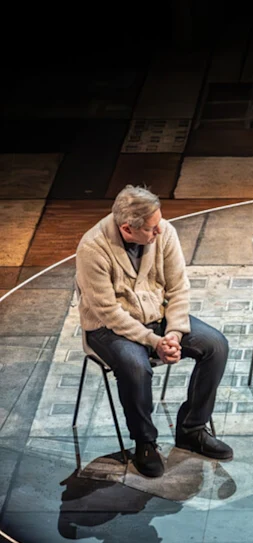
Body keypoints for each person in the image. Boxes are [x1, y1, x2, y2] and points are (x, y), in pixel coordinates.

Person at [75, 185, 233, 478]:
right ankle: (144, 442)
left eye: (159, 223)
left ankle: (192, 428)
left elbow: (178, 288)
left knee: (216, 345)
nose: (159, 231)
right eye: (151, 228)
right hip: (109, 328)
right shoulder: (92, 249)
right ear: (127, 228)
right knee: (136, 368)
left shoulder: (165, 232)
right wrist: (153, 341)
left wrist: (173, 331)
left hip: (157, 318)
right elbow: (108, 312)